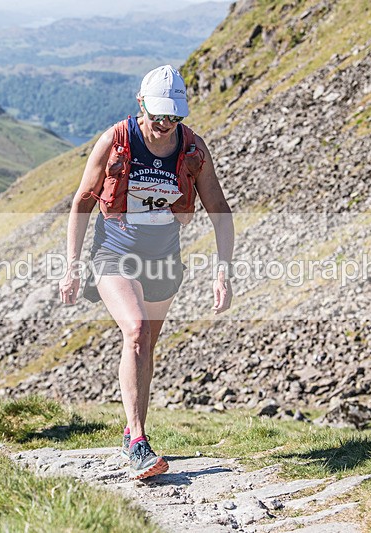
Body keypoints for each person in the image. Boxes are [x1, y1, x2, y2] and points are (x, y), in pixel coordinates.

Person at [59, 65, 234, 480]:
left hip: (164, 259)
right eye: (159, 116)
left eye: (174, 117)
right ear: (141, 105)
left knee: (147, 346)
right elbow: (82, 202)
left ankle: (130, 430)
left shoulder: (192, 148)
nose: (165, 125)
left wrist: (222, 272)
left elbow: (221, 214)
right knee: (136, 331)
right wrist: (72, 265)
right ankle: (138, 441)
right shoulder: (116, 140)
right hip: (114, 254)